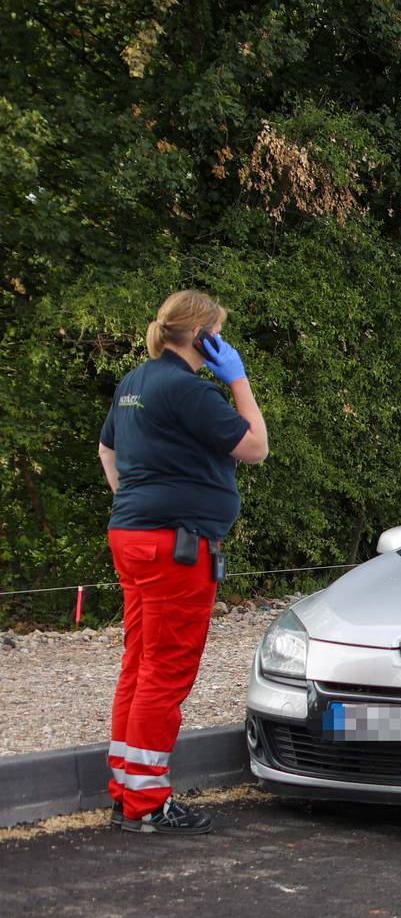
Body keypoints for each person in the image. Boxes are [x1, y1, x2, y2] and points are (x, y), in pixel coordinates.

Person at [98, 289, 269, 835]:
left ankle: (127, 788)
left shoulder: (134, 382)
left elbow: (107, 451)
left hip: (131, 534)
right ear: (204, 337)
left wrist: (138, 500)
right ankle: (147, 803)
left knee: (139, 661)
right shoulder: (187, 389)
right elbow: (255, 446)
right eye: (219, 333)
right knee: (167, 670)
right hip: (177, 544)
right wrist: (238, 380)